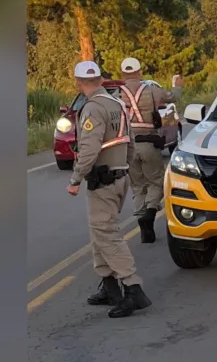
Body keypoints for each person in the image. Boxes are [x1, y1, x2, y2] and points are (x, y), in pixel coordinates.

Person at [67, 60, 152, 318]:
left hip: (102, 179)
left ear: (78, 82)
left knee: (107, 233)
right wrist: (126, 167)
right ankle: (109, 284)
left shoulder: (92, 108)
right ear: (102, 80)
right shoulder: (117, 104)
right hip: (119, 176)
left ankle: (132, 287)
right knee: (99, 231)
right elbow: (130, 141)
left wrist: (75, 179)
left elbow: (89, 149)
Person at [119, 57, 183, 243]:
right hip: (149, 142)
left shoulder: (117, 95)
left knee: (138, 186)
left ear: (123, 74)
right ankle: (150, 212)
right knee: (156, 182)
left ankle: (142, 221)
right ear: (139, 72)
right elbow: (173, 98)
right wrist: (177, 85)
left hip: (129, 146)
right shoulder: (152, 90)